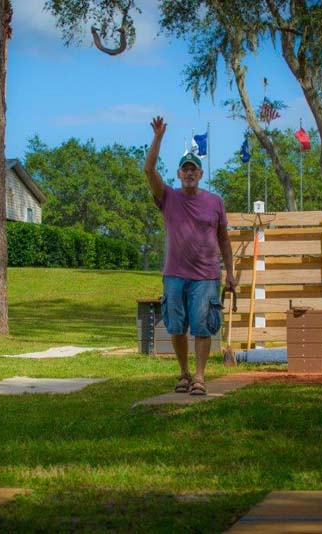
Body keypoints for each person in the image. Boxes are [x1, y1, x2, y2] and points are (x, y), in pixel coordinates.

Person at [144, 116, 236, 396]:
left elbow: (224, 239)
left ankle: (199, 377)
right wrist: (158, 137)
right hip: (174, 275)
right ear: (178, 173)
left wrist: (230, 272)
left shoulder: (214, 202)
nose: (189, 173)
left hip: (206, 276)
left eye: (193, 169)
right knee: (176, 328)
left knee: (203, 328)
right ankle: (183, 373)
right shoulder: (168, 197)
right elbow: (148, 170)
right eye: (184, 169)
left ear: (200, 174)